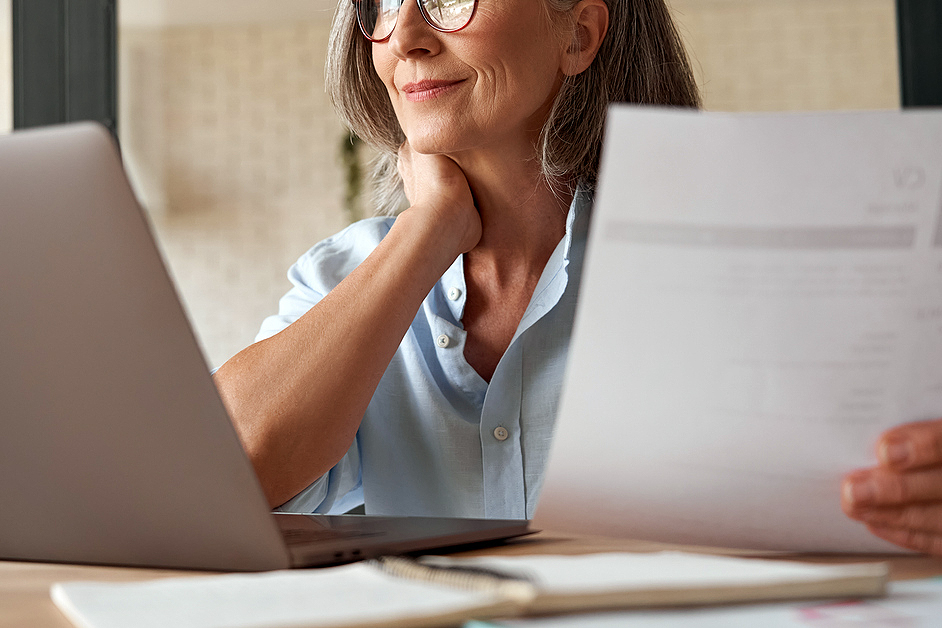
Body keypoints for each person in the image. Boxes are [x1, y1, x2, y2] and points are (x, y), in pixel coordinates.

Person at [212, 0, 942, 556]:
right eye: (381, 3)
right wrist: (428, 232)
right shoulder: (342, 276)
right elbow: (223, 475)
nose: (404, 36)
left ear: (579, 35)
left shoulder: (736, 262)